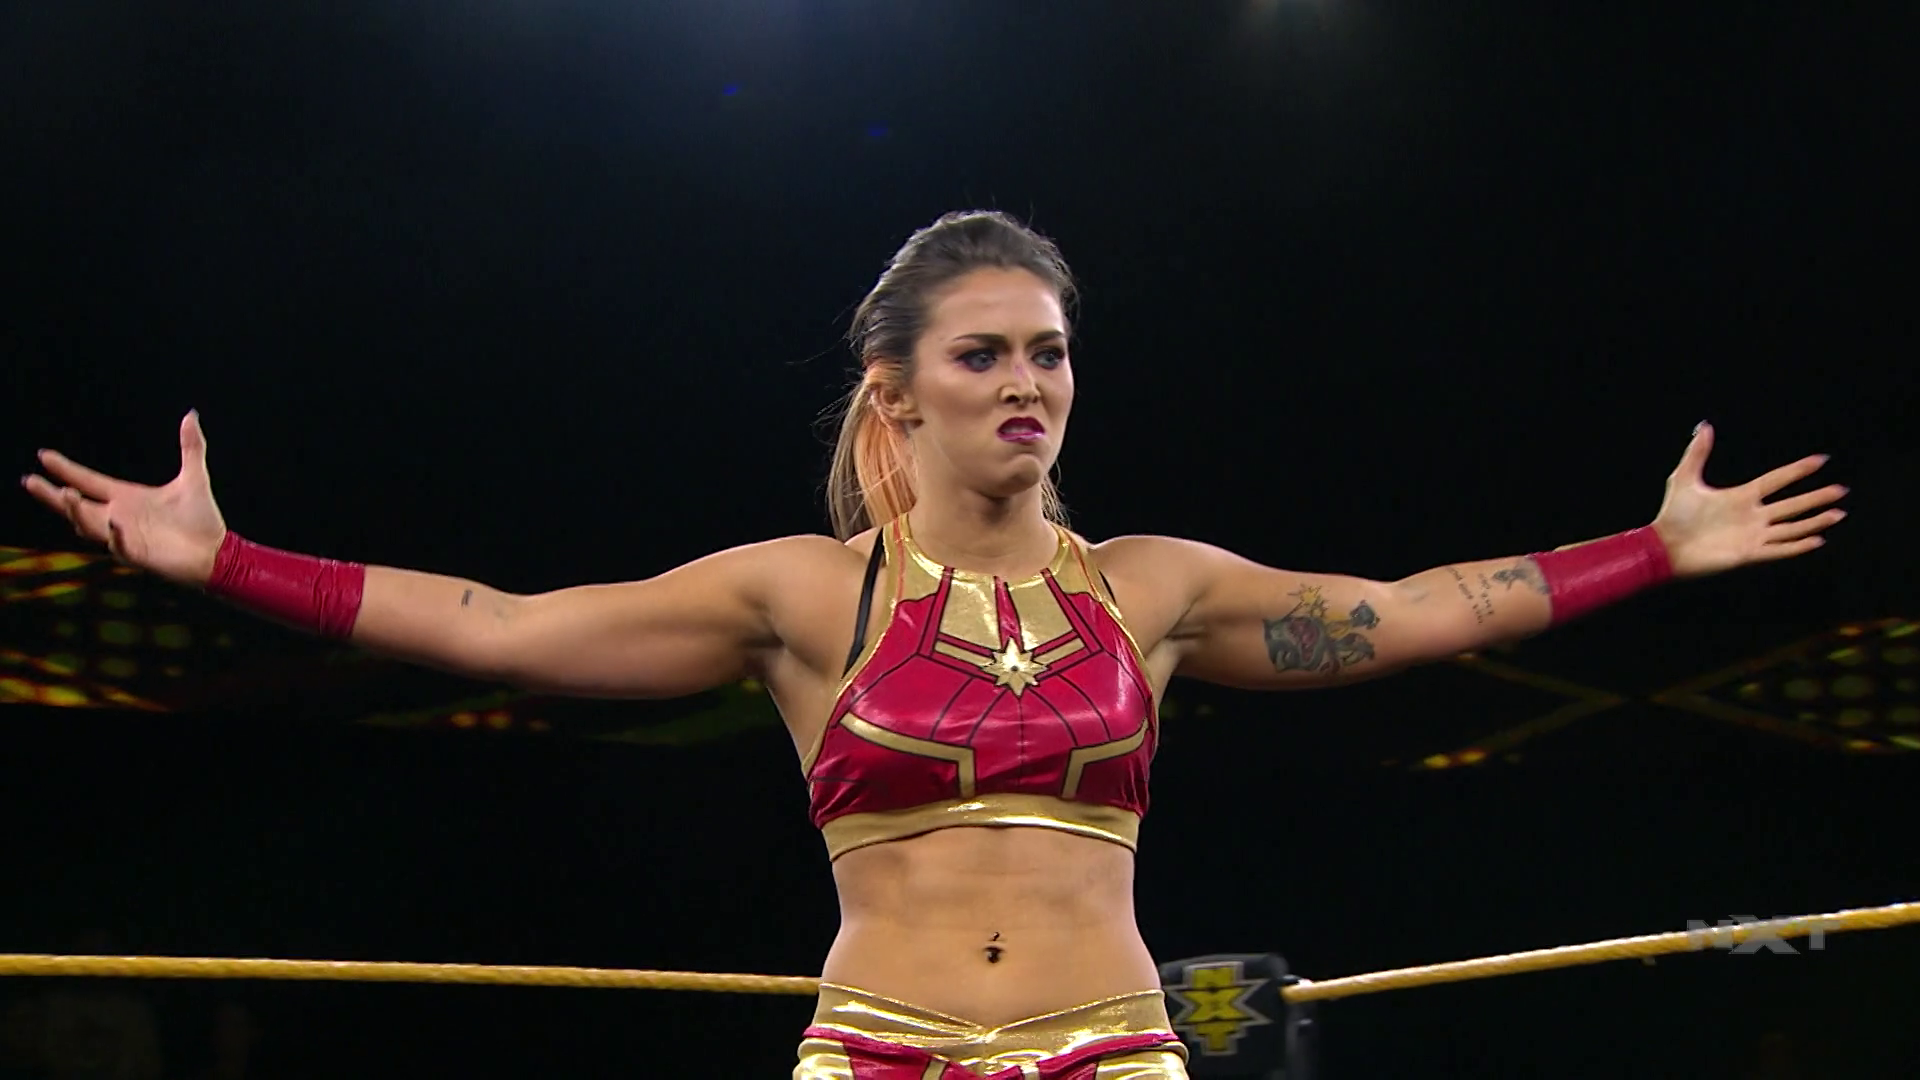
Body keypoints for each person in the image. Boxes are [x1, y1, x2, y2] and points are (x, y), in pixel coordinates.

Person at [22, 211, 1848, 1079]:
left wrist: (1657, 550)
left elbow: (1424, 609)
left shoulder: (1155, 589)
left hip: (1108, 1046)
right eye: (986, 355)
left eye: (1051, 352)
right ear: (898, 391)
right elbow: (502, 628)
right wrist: (225, 560)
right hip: (882, 1046)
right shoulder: (803, 598)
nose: (1028, 381)